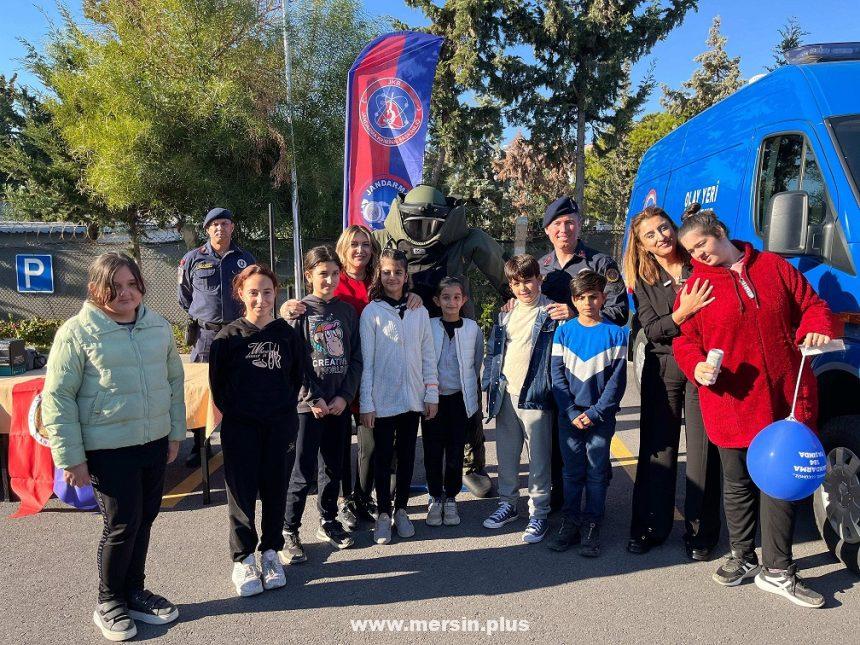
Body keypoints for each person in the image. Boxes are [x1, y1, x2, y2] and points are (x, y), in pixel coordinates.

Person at [674, 211, 839, 609]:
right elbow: (685, 341)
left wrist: (815, 328)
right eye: (691, 251)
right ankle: (743, 556)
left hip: (784, 401)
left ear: (721, 232)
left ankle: (778, 570)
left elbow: (813, 307)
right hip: (731, 402)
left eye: (703, 244)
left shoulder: (773, 267)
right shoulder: (695, 286)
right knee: (737, 484)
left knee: (779, 484)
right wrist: (696, 365)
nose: (699, 255)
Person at [42, 252, 185, 642]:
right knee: (121, 524)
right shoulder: (76, 332)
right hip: (107, 449)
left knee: (145, 519)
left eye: (131, 284)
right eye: (115, 286)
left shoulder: (157, 326)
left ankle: (134, 591)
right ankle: (109, 601)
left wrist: (175, 434)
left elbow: (174, 384)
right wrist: (70, 457)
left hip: (153, 443)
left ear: (141, 286)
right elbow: (58, 398)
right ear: (96, 289)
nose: (125, 293)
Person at [280, 225, 422, 530]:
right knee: (338, 450)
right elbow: (300, 312)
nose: (360, 249)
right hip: (331, 383)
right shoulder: (334, 280)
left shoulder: (376, 281)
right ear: (344, 247)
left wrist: (414, 297)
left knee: (370, 448)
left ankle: (362, 497)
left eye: (366, 244)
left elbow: (398, 289)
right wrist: (285, 306)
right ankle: (341, 503)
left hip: (365, 377)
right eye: (354, 244)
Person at [374, 184, 511, 497]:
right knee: (401, 395)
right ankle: (397, 466)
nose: (425, 229)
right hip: (404, 331)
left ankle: (470, 465)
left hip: (454, 329)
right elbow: (350, 267)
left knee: (463, 396)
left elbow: (502, 272)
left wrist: (513, 297)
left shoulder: (466, 238)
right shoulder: (383, 237)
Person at [622, 206, 722, 560]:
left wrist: (680, 318)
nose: (661, 237)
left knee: (703, 452)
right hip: (663, 367)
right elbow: (652, 330)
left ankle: (702, 533)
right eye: (651, 235)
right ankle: (651, 527)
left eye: (664, 228)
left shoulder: (700, 263)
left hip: (700, 366)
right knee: (659, 450)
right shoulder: (642, 278)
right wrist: (684, 311)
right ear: (643, 245)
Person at [209, 264, 305, 598]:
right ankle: (243, 557)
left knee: (276, 488)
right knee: (242, 494)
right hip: (241, 429)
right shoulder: (227, 338)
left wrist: (278, 411)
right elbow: (218, 388)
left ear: (275, 293)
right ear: (241, 294)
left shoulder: (287, 335)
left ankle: (270, 552)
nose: (261, 299)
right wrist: (243, 413)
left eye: (267, 292)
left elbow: (295, 378)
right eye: (253, 292)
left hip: (279, 426)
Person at [283, 246, 362, 561]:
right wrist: (313, 398)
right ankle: (289, 530)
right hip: (308, 406)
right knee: (302, 471)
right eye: (321, 274)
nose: (328, 280)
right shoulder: (300, 312)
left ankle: (328, 520)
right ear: (308, 276)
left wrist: (344, 396)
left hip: (339, 404)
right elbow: (296, 362)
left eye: (333, 273)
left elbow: (355, 356)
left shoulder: (346, 312)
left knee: (332, 467)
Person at [359, 248, 438, 545]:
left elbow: (428, 355)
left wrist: (431, 393)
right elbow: (367, 361)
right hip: (382, 401)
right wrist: (367, 402)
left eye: (398, 272)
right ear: (380, 274)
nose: (392, 277)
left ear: (407, 276)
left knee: (406, 455)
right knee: (382, 457)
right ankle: (382, 513)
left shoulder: (419, 311)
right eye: (387, 272)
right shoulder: (372, 312)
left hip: (412, 399)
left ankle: (401, 509)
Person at [548, 271, 628, 557]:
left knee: (596, 472)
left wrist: (594, 414)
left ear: (603, 298)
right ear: (573, 300)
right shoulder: (564, 331)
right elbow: (556, 376)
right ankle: (570, 521)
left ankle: (593, 522)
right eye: (581, 298)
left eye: (593, 296)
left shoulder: (617, 334)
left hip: (600, 418)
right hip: (568, 416)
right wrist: (570, 410)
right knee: (571, 472)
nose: (587, 303)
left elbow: (616, 384)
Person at [482, 254, 557, 544]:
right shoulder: (506, 314)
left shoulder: (552, 312)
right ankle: (508, 504)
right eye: (516, 283)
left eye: (528, 280)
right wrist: (489, 385)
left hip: (536, 394)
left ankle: (539, 512)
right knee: (507, 453)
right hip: (506, 392)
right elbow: (494, 352)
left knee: (538, 457)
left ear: (539, 279)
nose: (523, 288)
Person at [178, 207, 255, 468]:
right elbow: (184, 295)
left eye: (225, 223)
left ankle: (240, 440)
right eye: (214, 224)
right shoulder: (192, 259)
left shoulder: (245, 258)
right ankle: (200, 446)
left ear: (232, 227)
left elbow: (254, 292)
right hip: (206, 334)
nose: (220, 228)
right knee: (202, 390)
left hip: (238, 333)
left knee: (242, 387)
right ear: (207, 229)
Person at [423, 277, 484, 527]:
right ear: (437, 301)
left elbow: (476, 362)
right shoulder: (427, 326)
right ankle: (435, 497)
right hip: (433, 401)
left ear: (463, 300)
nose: (451, 302)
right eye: (445, 297)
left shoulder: (472, 328)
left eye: (456, 297)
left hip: (460, 400)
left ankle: (451, 498)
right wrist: (428, 395)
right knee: (432, 451)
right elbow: (423, 361)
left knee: (456, 451)